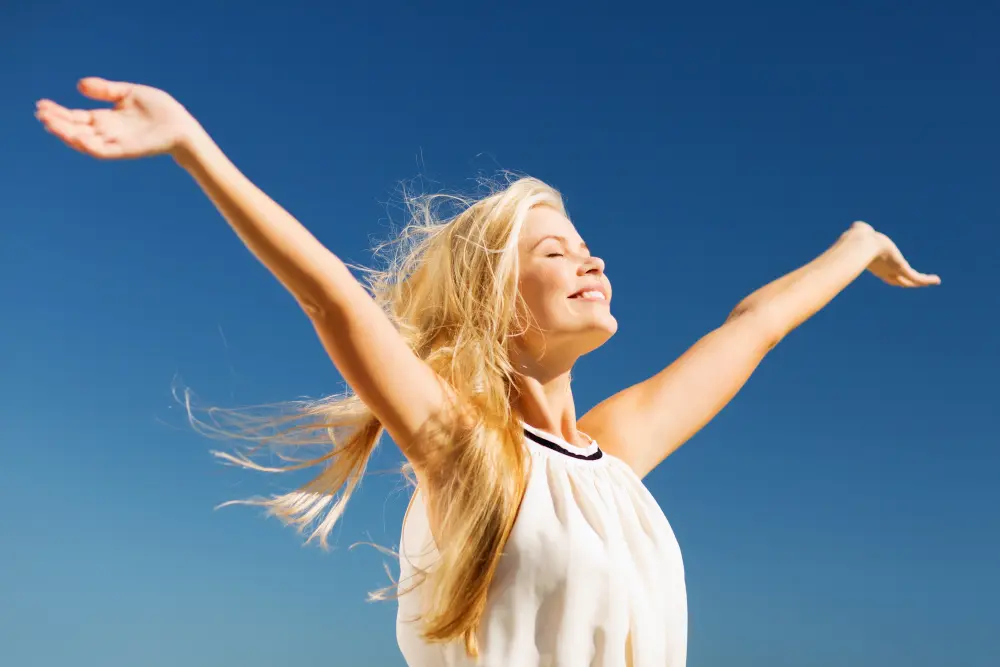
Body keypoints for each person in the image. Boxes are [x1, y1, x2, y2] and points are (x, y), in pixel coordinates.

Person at [36, 77, 940, 667]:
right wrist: (195, 147)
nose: (592, 261)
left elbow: (756, 326)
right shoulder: (468, 450)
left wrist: (856, 247)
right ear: (501, 304)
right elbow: (333, 301)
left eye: (589, 246)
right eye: (556, 251)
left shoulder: (615, 454)